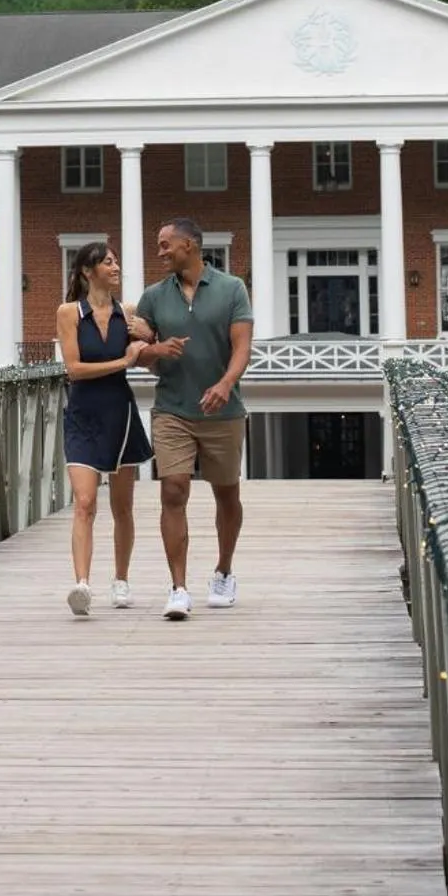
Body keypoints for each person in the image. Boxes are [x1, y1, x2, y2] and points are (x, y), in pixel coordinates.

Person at [132, 215, 252, 621]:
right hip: (172, 409)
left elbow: (242, 348)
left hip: (223, 411)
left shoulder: (232, 289)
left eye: (166, 244)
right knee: (173, 490)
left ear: (191, 246)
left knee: (227, 495)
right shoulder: (152, 297)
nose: (160, 251)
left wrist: (225, 383)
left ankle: (223, 571)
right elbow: (138, 353)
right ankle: (178, 588)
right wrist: (156, 350)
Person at [54, 241, 161, 617]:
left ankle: (121, 579)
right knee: (84, 502)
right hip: (83, 413)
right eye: (108, 262)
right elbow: (74, 370)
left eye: (116, 261)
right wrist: (124, 360)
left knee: (122, 506)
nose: (116, 267)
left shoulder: (128, 312)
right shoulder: (69, 313)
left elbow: (151, 349)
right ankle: (82, 585)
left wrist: (148, 336)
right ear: (88, 271)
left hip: (120, 412)